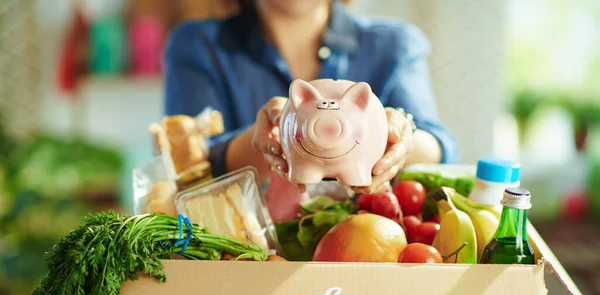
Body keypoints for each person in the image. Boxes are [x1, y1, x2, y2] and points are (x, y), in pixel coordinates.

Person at [163, 0, 459, 194]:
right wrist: (274, 138)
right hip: (246, 249)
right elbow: (188, 164)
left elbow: (438, 146)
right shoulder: (197, 45)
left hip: (374, 240)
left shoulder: (395, 44)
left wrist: (391, 133)